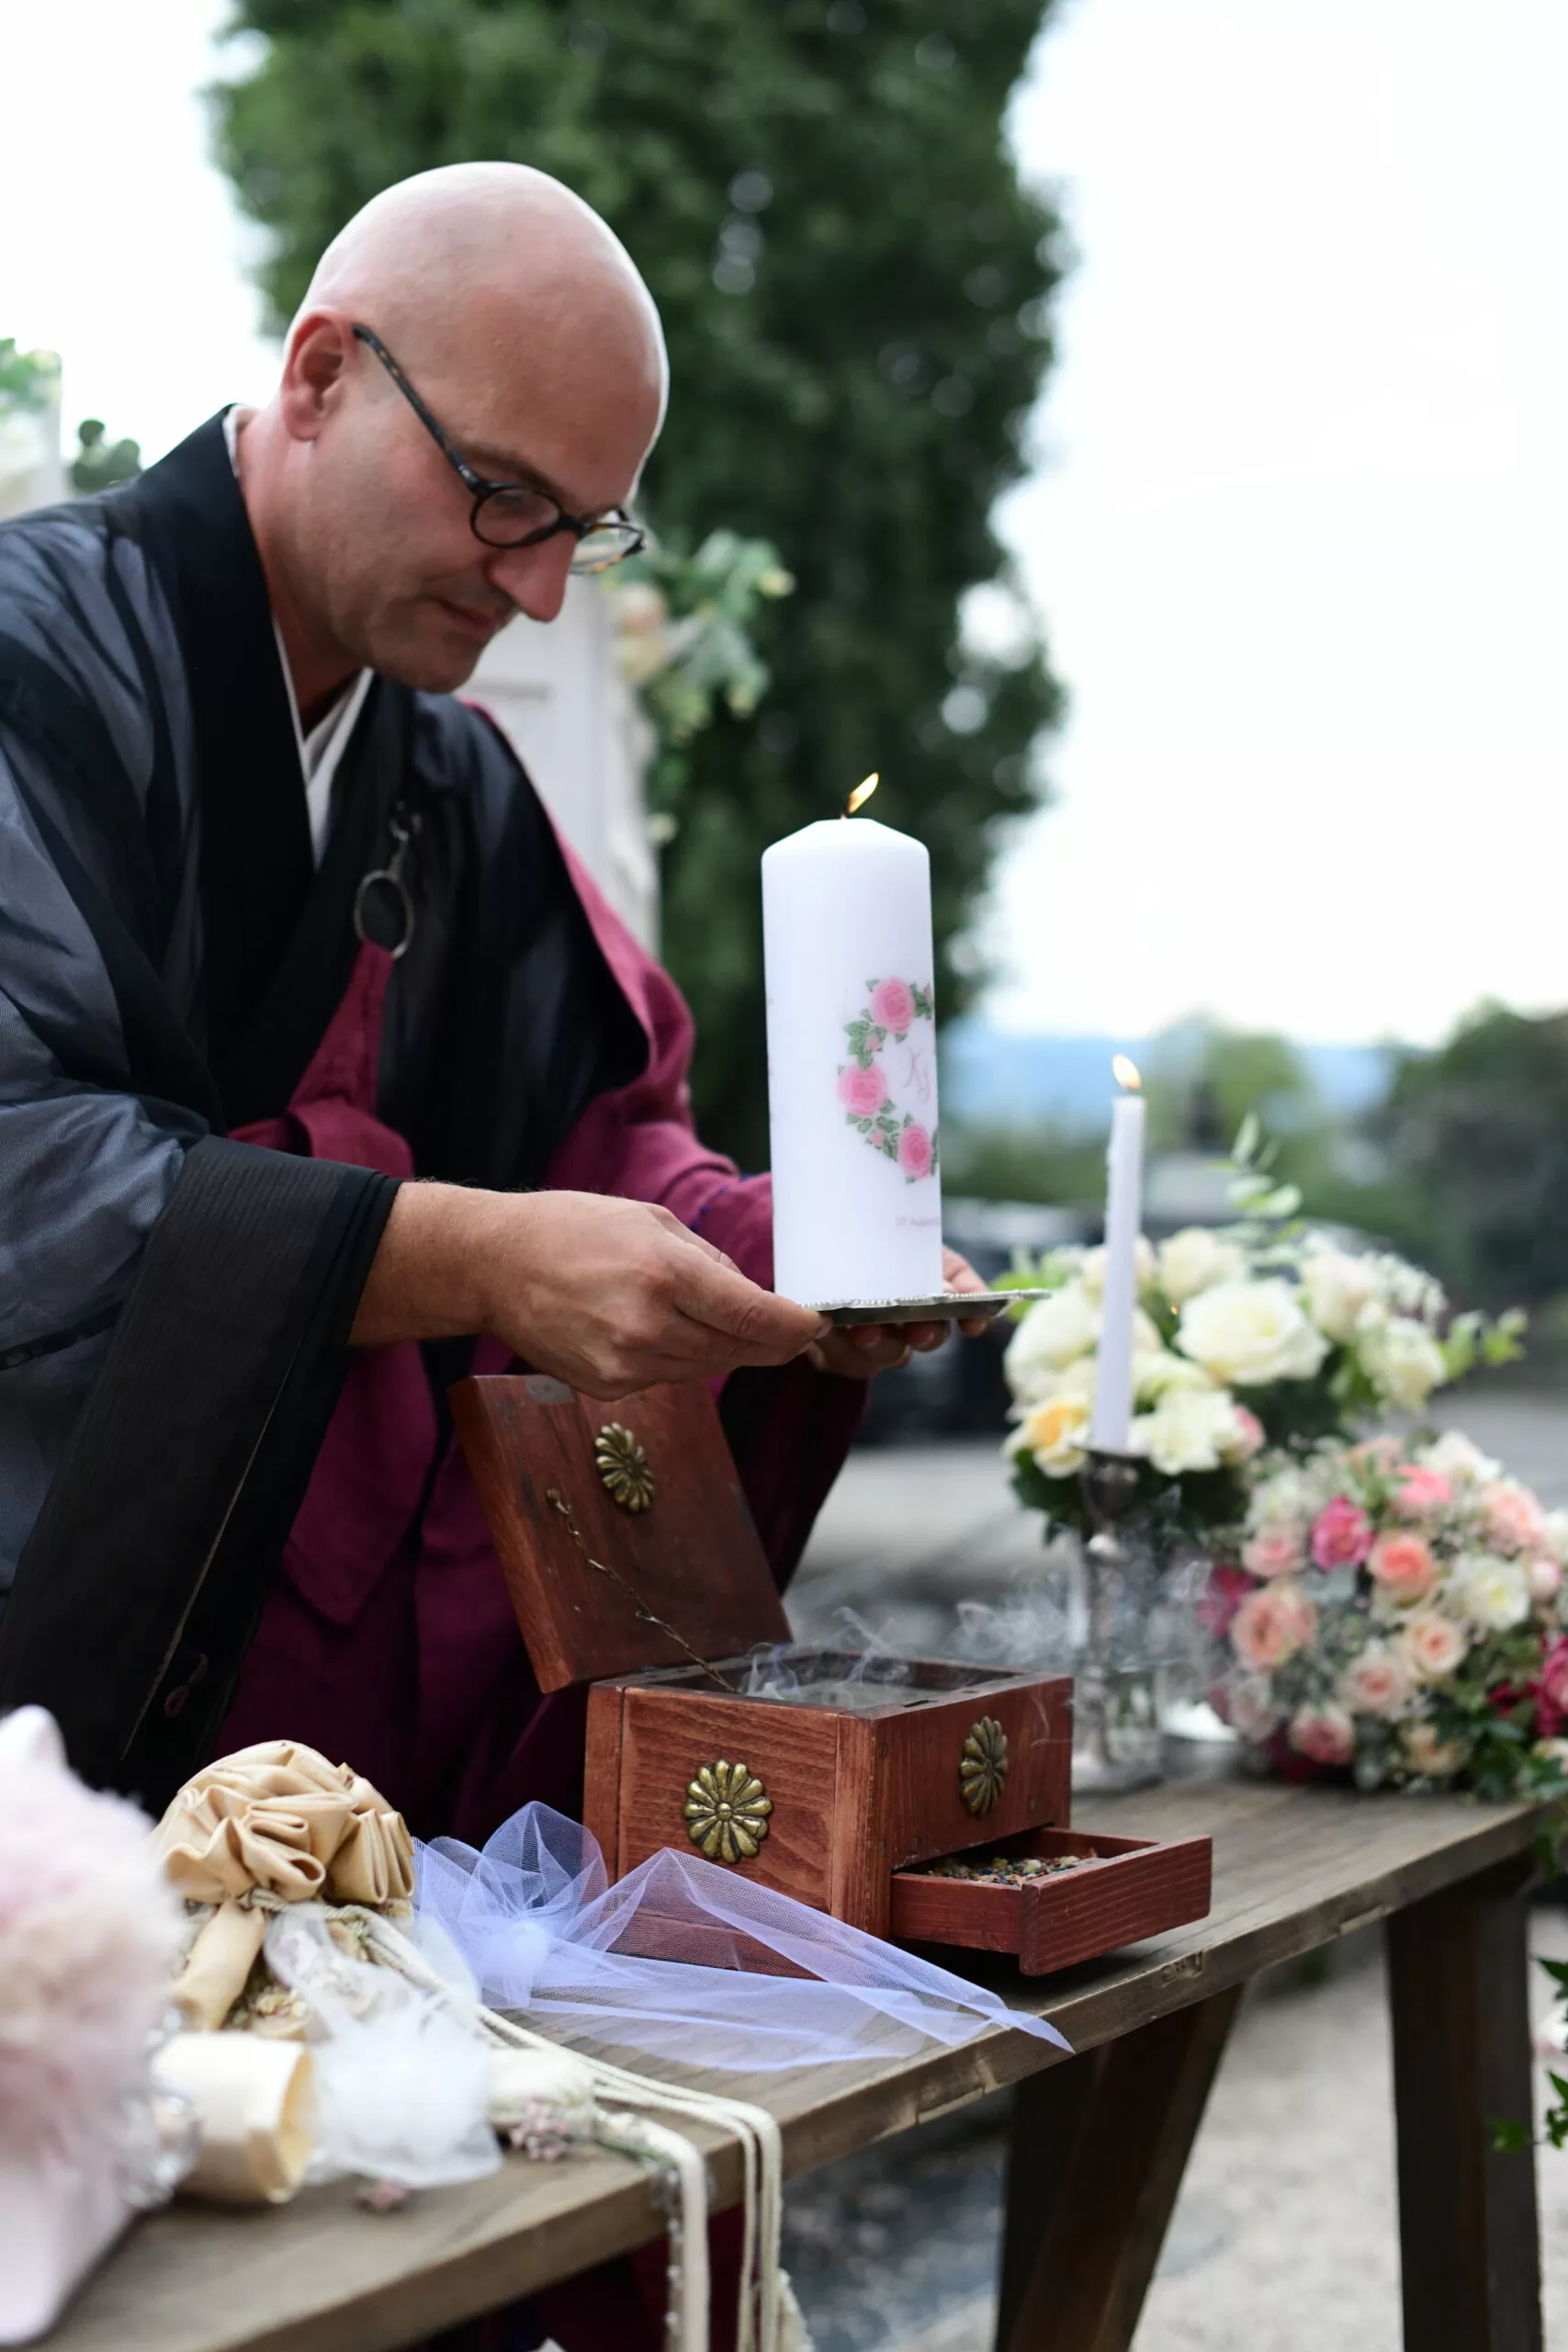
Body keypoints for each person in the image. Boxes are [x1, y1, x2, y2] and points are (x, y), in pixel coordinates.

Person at [0, 162, 982, 1834]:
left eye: (584, 530)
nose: (535, 589)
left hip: (299, 1731)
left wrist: (783, 1256)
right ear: (317, 373)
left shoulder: (446, 771)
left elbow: (595, 1137)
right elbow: (28, 1171)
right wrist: (474, 1258)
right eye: (501, 496)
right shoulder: (31, 660)